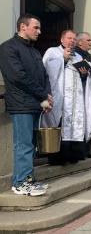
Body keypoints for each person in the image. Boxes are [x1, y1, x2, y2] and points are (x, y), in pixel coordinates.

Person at [0, 14, 53, 196]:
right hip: (21, 104)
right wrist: (42, 94)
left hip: (35, 104)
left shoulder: (34, 51)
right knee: (23, 145)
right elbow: (18, 76)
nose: (39, 31)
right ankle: (21, 183)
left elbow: (44, 76)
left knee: (31, 145)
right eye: (35, 28)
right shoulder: (8, 48)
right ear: (23, 27)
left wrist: (47, 96)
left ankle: (28, 180)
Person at [42, 30, 91, 165]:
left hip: (75, 99)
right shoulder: (53, 52)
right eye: (69, 38)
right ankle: (57, 158)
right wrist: (63, 59)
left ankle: (72, 156)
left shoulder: (78, 56)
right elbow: (46, 69)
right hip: (60, 97)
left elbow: (84, 78)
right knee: (59, 125)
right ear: (62, 39)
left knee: (74, 126)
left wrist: (84, 74)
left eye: (73, 39)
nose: (72, 41)